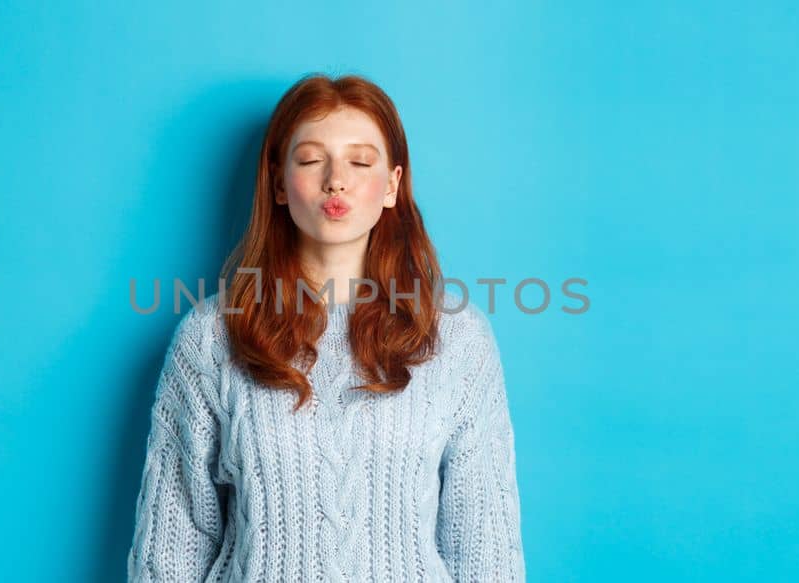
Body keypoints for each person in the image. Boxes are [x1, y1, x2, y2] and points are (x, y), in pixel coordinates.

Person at [127, 73, 524, 582]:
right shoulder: (211, 336)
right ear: (277, 183)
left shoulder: (457, 339)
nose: (335, 180)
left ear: (392, 186)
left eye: (360, 162)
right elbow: (170, 550)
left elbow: (485, 550)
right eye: (312, 159)